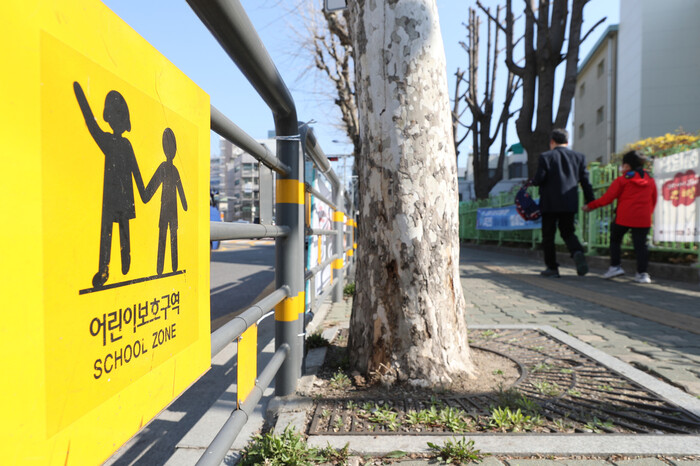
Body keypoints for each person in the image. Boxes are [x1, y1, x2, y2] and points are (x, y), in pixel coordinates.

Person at [73, 82, 147, 288]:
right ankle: (104, 268)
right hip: (113, 196)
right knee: (108, 232)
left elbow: (136, 173)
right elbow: (91, 125)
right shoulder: (109, 141)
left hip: (122, 198)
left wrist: (143, 190)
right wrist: (81, 96)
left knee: (122, 232)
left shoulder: (126, 144)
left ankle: (126, 260)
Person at [583, 150, 657, 284]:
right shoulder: (650, 180)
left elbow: (607, 198)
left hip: (624, 217)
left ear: (627, 166)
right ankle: (642, 274)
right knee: (641, 246)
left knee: (615, 240)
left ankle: (615, 267)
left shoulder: (623, 180)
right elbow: (654, 199)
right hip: (643, 218)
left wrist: (590, 206)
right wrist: (648, 214)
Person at [532, 128, 595, 278]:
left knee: (548, 235)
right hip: (569, 201)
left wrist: (534, 181)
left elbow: (539, 178)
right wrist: (591, 201)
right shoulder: (578, 157)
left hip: (549, 203)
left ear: (552, 142)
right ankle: (577, 252)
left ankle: (552, 268)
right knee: (568, 232)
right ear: (568, 141)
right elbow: (585, 181)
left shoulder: (546, 156)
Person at [145, 128, 188, 275]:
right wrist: (184, 203)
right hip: (169, 209)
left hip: (167, 209)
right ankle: (164, 267)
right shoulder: (168, 168)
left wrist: (184, 202)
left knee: (167, 235)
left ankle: (165, 267)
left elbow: (179, 187)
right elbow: (156, 184)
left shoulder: (170, 168)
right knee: (168, 235)